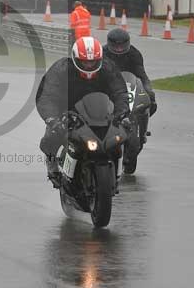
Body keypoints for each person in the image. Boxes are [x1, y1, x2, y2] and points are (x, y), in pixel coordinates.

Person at [36, 36, 129, 186]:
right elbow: (46, 95)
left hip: (100, 112)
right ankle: (52, 164)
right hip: (67, 111)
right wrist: (52, 119)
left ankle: (119, 169)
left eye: (93, 61)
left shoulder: (108, 68)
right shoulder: (61, 69)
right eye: (85, 61)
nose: (89, 65)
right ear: (75, 58)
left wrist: (122, 113)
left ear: (99, 59)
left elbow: (120, 92)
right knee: (52, 137)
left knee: (123, 133)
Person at [103, 28, 155, 172]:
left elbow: (141, 73)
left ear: (127, 43)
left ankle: (142, 131)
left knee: (150, 99)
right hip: (110, 88)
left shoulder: (134, 54)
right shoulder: (103, 53)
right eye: (116, 45)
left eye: (122, 45)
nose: (119, 49)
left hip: (129, 86)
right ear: (109, 43)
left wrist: (148, 90)